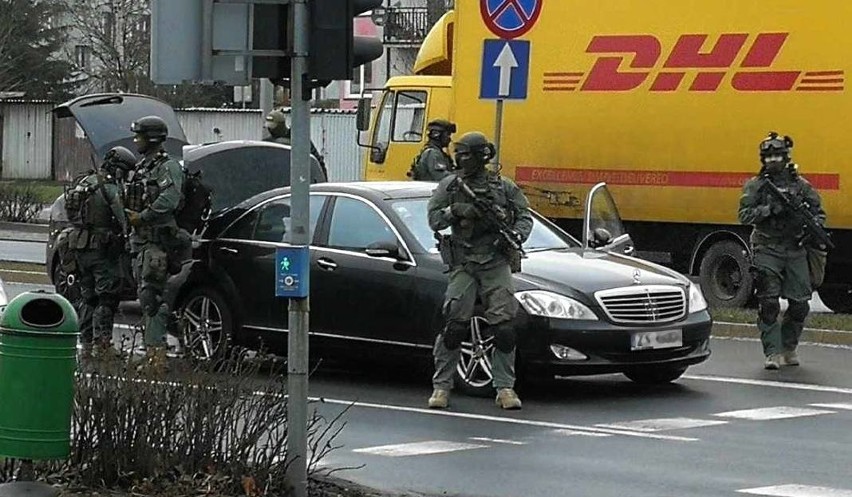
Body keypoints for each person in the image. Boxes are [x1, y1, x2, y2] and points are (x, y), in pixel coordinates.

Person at [426, 131, 533, 410]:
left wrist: (516, 235)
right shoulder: (450, 186)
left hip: (495, 261)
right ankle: (442, 387)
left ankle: (505, 387)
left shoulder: (504, 187)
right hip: (464, 261)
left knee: (504, 329)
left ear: (481, 156)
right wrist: (458, 211)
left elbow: (524, 215)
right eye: (459, 154)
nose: (462, 159)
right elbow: (434, 220)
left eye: (466, 154)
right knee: (454, 326)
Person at [738, 132, 826, 370]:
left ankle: (789, 346)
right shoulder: (756, 186)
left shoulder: (801, 186)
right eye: (769, 157)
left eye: (778, 155)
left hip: (795, 249)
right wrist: (769, 210)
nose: (773, 161)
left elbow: (819, 213)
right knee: (768, 302)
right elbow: (744, 215)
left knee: (800, 304)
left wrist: (813, 229)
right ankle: (772, 352)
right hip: (767, 248)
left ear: (786, 157)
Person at [124, 115, 184, 372]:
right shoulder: (143, 167)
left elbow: (170, 199)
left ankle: (157, 357)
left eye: (139, 135)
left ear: (152, 138)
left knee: (152, 299)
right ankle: (151, 351)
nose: (136, 140)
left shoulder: (166, 167)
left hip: (156, 244)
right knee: (144, 296)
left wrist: (143, 216)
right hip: (140, 244)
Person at [65, 146, 135, 363]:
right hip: (101, 250)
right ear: (118, 169)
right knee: (107, 297)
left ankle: (85, 345)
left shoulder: (85, 182)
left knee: (87, 297)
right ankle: (102, 345)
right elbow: (124, 220)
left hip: (79, 248)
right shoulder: (109, 188)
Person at [263, 108, 328, 179]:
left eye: (273, 127)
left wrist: (323, 180)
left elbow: (317, 162)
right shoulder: (268, 143)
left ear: (281, 125)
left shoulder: (299, 141)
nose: (270, 130)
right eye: (269, 127)